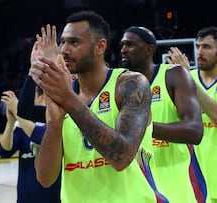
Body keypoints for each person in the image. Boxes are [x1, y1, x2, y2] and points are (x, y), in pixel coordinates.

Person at [30, 10, 159, 202]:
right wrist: (55, 124)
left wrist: (68, 98)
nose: (64, 50)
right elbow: (45, 179)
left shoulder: (130, 84)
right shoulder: (64, 95)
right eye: (62, 42)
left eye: (74, 42)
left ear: (100, 46)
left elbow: (121, 157)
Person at [120, 26, 208, 203]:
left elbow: (194, 130)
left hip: (178, 185)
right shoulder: (120, 84)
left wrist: (141, 127)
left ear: (149, 49)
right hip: (141, 188)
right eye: (122, 45)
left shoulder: (173, 75)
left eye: (130, 44)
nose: (123, 49)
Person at [167, 26, 217, 203]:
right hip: (189, 183)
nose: (200, 52)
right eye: (198, 46)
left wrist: (187, 78)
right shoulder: (186, 79)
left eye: (207, 47)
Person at [0, 87, 60, 203]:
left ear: (42, 98)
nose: (26, 102)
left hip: (52, 196)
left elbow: (39, 137)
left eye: (30, 97)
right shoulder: (21, 125)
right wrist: (11, 123)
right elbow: (4, 151)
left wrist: (17, 111)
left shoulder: (54, 122)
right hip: (25, 196)